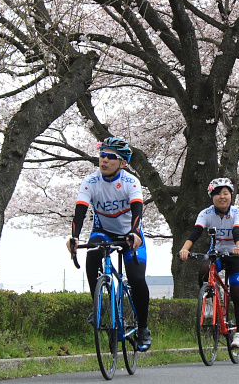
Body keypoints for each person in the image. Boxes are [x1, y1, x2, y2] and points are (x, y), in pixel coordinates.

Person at [66, 137, 152, 350]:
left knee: (136, 278)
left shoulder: (131, 182)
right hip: (103, 231)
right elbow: (80, 212)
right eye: (102, 155)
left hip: (130, 234)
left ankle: (143, 328)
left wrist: (134, 232)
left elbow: (137, 210)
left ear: (123, 163)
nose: (104, 160)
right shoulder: (90, 181)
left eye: (111, 157)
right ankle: (98, 307)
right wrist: (75, 237)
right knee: (93, 252)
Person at [178, 177, 239, 349]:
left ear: (231, 195)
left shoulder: (238, 213)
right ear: (212, 196)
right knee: (204, 269)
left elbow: (237, 230)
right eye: (217, 194)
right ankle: (208, 301)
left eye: (225, 193)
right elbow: (196, 232)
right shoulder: (206, 213)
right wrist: (185, 249)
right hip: (216, 252)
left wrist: (238, 245)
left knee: (238, 293)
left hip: (235, 253)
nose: (222, 197)